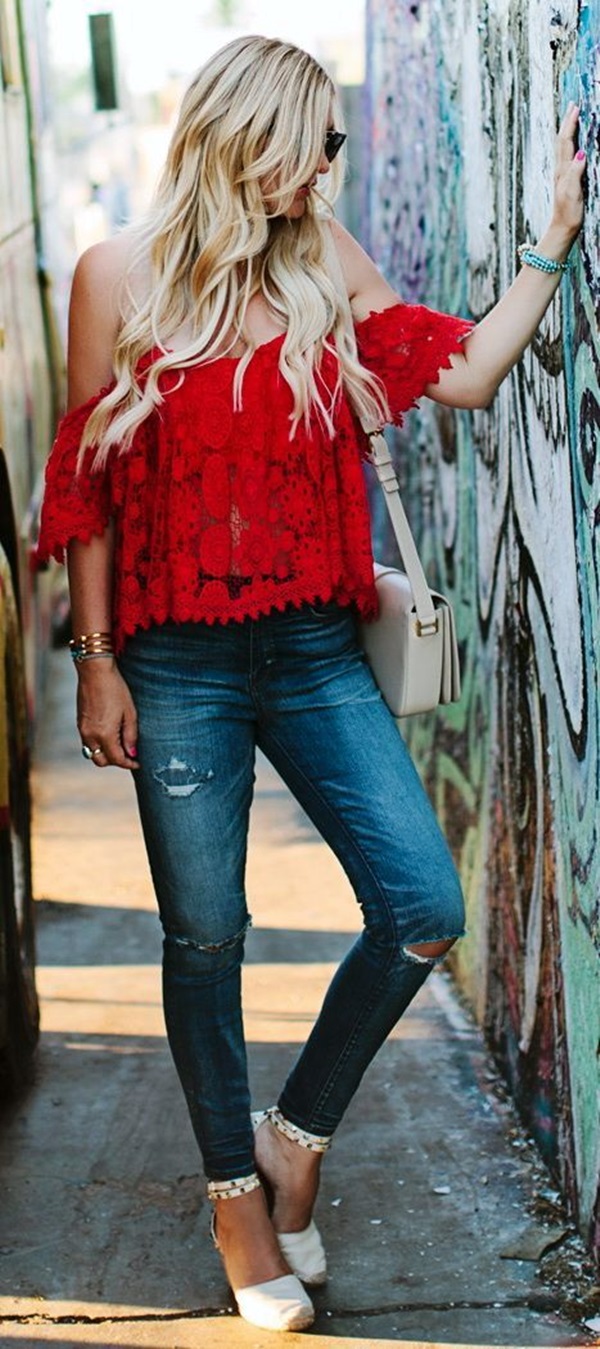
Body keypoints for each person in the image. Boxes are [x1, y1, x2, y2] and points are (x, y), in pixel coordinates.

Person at [37, 34, 585, 1334]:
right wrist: (97, 664)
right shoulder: (115, 275)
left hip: (316, 651)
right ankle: (236, 1197)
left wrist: (553, 247)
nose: (331, 166)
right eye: (318, 142)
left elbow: (463, 372)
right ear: (250, 137)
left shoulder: (322, 266)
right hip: (175, 662)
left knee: (419, 899)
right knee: (207, 931)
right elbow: (90, 492)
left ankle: (295, 1136)